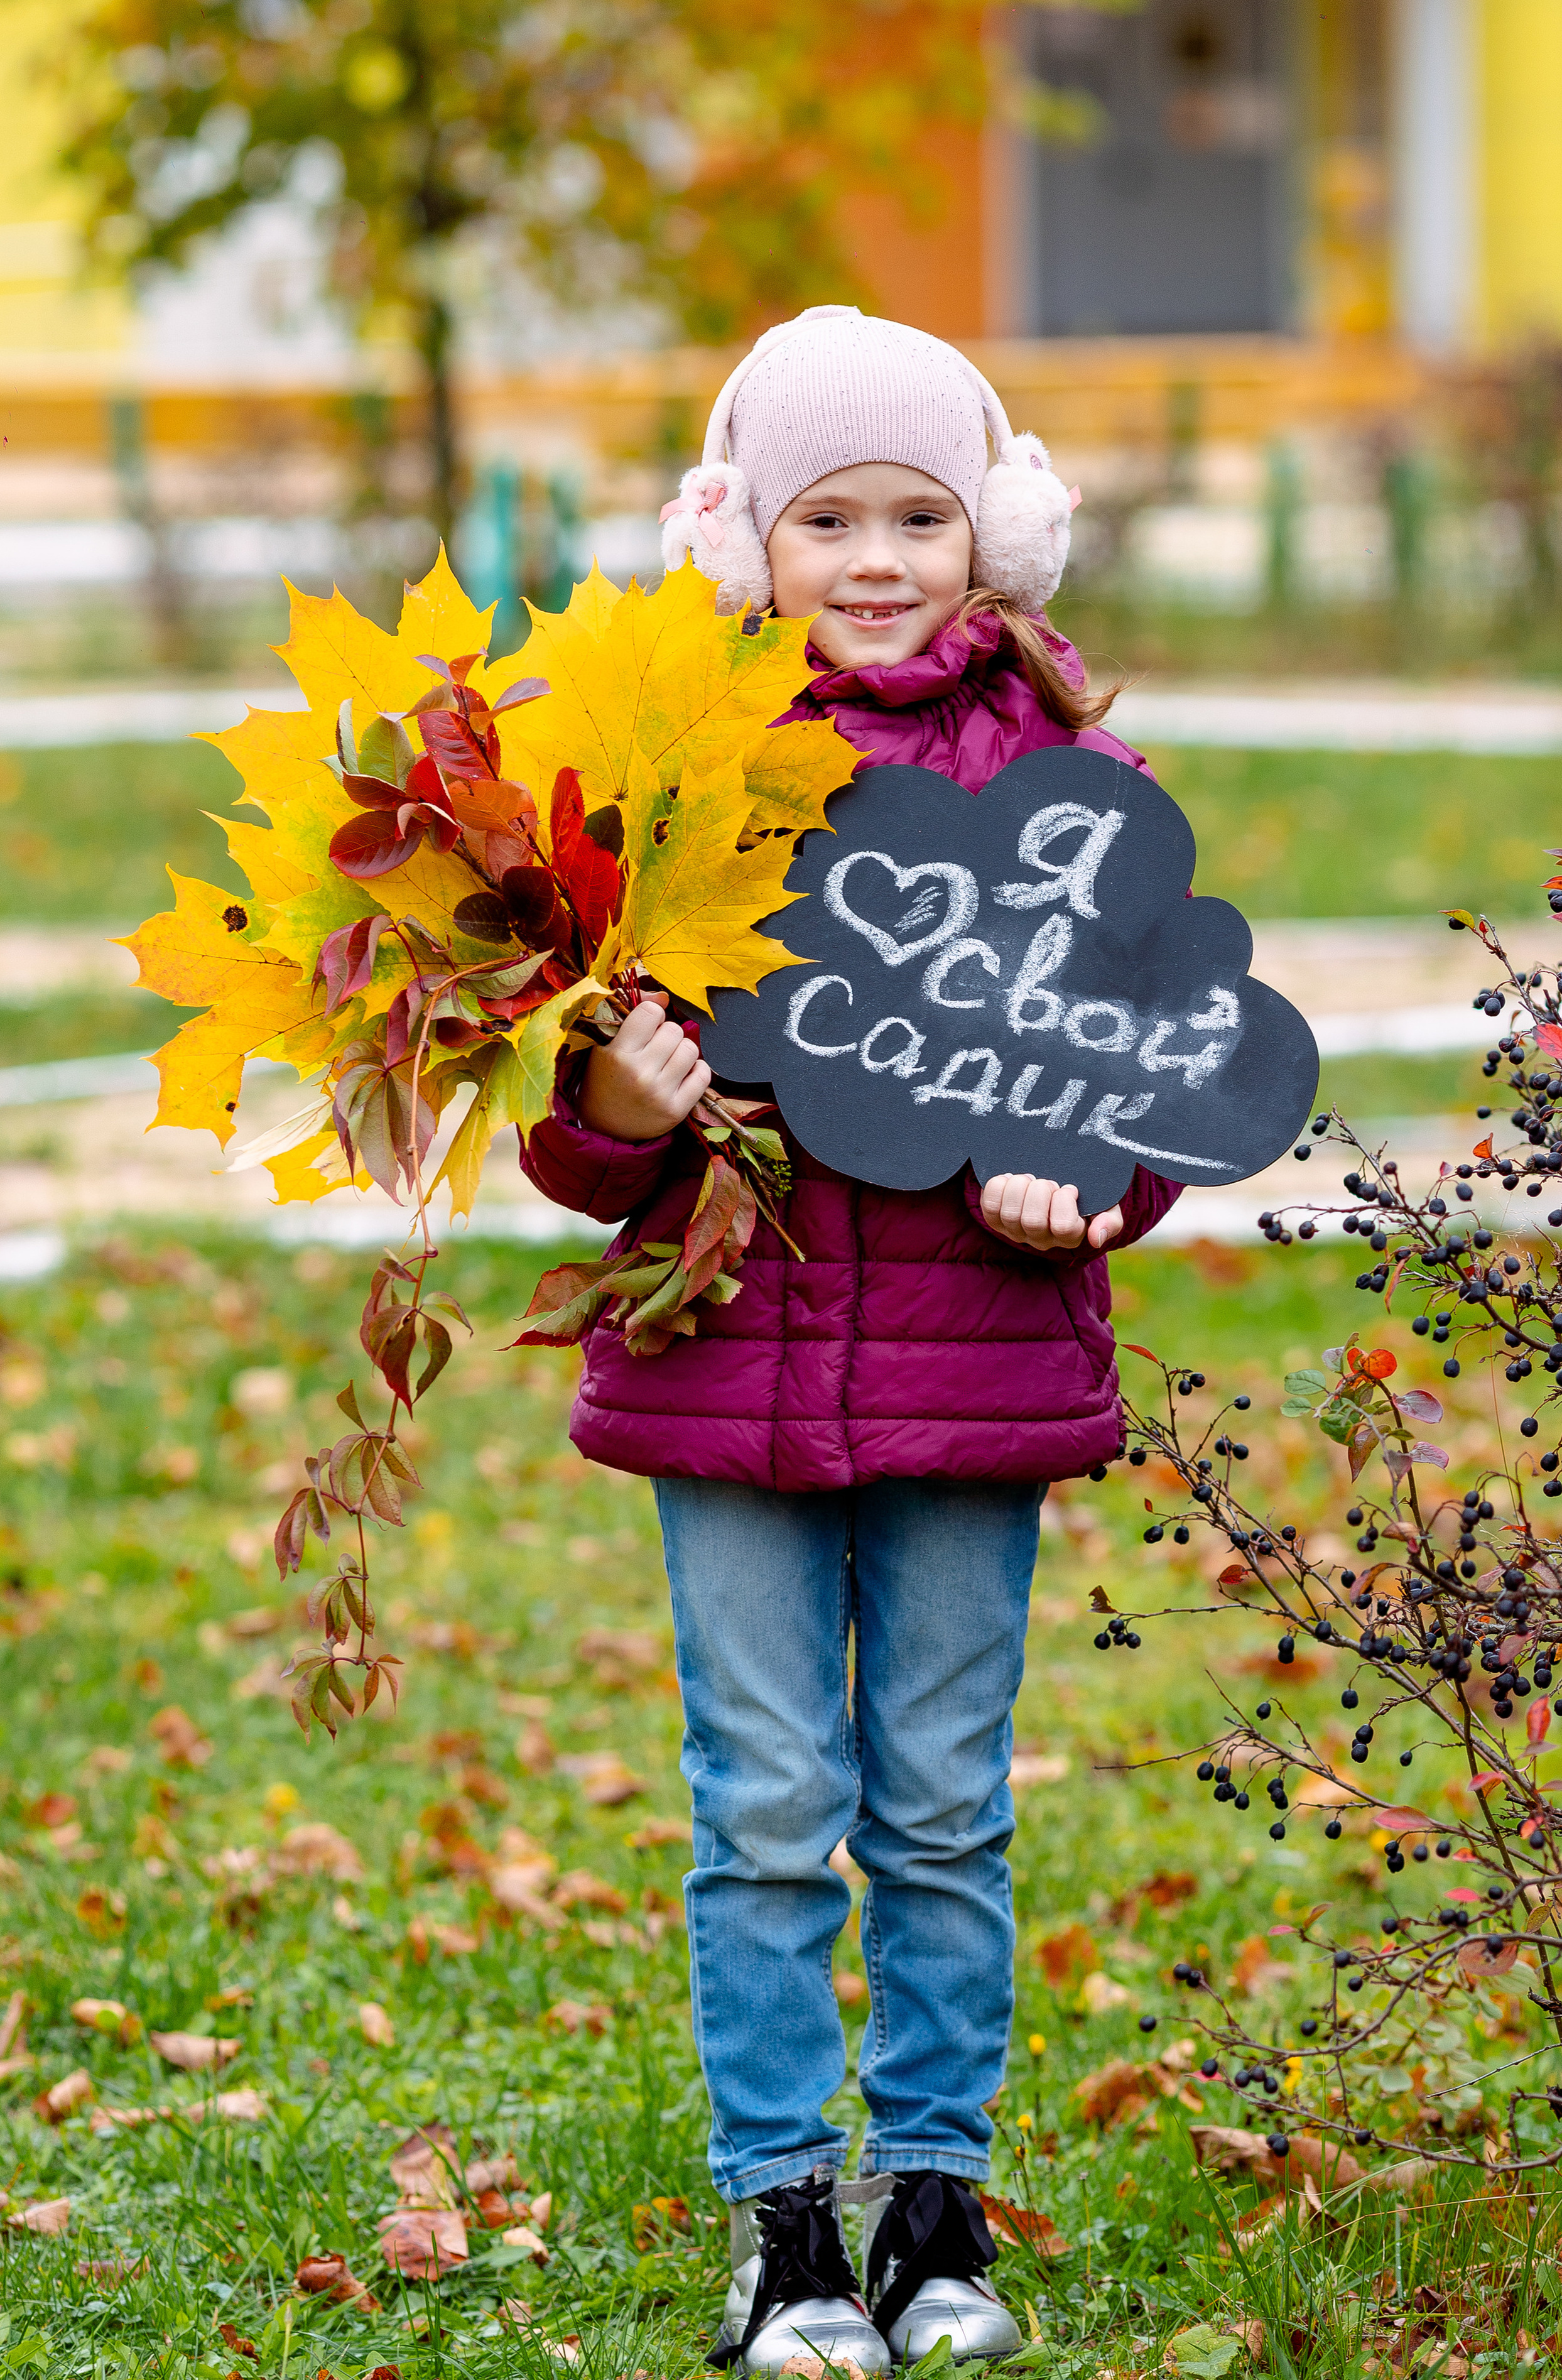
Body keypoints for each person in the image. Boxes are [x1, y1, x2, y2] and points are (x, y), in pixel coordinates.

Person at [521, 307, 1181, 2372]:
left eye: (920, 514)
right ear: (746, 540)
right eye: (828, 519)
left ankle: (934, 2206)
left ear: (997, 531)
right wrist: (613, 1103)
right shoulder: (670, 792)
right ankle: (786, 2223)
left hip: (979, 1367)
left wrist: (1087, 1177)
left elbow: (1147, 1074)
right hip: (725, 1365)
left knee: (943, 1804)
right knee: (763, 1805)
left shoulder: (1077, 796)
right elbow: (574, 1138)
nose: (877, 559)